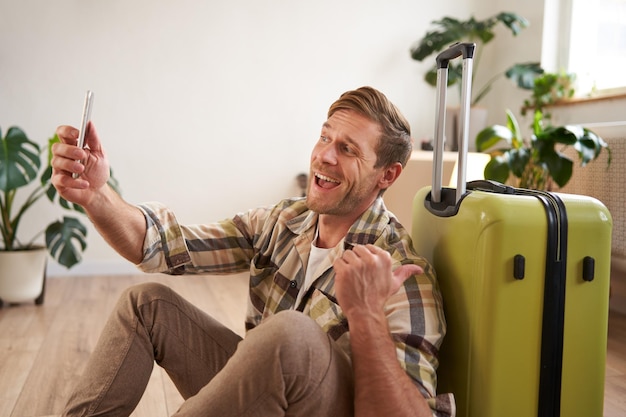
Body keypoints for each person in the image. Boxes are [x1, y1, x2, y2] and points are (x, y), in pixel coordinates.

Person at [51, 86, 455, 417]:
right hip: (266, 404)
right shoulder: (284, 222)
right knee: (146, 304)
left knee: (293, 333)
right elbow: (163, 246)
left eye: (348, 150)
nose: (325, 155)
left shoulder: (400, 273)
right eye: (325, 136)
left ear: (387, 175)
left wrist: (365, 313)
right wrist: (96, 195)